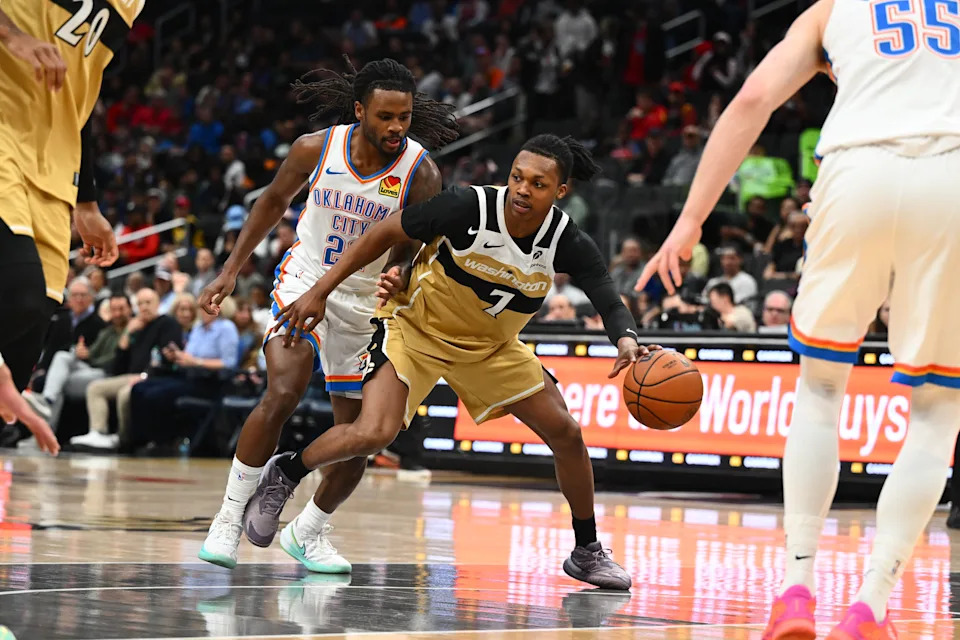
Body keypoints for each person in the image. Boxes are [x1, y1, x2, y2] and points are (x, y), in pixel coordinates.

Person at [635, 1, 960, 637]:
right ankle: (871, 604)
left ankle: (796, 590)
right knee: (937, 410)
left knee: (817, 391)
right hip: (952, 173)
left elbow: (754, 98)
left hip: (856, 168)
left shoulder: (832, 8)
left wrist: (691, 219)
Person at [256, 135, 647, 591]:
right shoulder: (468, 207)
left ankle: (586, 551)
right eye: (517, 177)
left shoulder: (565, 239)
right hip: (416, 330)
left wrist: (625, 337)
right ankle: (286, 471)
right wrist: (324, 289)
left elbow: (602, 286)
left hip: (490, 348)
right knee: (375, 432)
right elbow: (386, 232)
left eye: (538, 184)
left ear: (560, 192)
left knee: (567, 432)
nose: (522, 189)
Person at [196, 58, 458, 572]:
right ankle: (228, 518)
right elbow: (271, 203)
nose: (395, 128)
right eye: (385, 116)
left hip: (368, 305)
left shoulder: (421, 171)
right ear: (360, 110)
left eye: (403, 117)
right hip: (304, 281)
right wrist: (230, 270)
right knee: (283, 391)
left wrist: (399, 271)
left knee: (359, 434)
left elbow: (416, 241)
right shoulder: (316, 148)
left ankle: (310, 530)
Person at [0, 1, 146, 453]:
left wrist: (86, 200)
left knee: (28, 330)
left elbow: (78, 96)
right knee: (20, 289)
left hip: (53, 165)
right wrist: (12, 35)